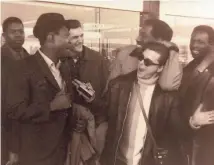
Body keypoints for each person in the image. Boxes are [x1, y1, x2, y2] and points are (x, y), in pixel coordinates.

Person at [6, 13, 74, 165]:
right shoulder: (22, 68)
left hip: (62, 152)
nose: (70, 41)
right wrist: (51, 106)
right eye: (66, 36)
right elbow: (14, 111)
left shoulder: (65, 68)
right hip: (36, 156)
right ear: (51, 37)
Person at [101, 42, 185, 165]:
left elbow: (177, 135)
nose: (141, 64)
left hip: (146, 161)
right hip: (116, 160)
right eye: (141, 58)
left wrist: (193, 123)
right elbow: (102, 116)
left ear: (160, 68)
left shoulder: (167, 98)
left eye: (148, 62)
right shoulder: (118, 86)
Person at [64, 19, 109, 164]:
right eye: (74, 37)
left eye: (81, 36)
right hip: (68, 130)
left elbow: (109, 99)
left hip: (95, 127)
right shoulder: (60, 60)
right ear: (65, 39)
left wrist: (92, 100)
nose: (80, 41)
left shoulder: (98, 60)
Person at [105, 18, 182, 94]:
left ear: (160, 41)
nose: (137, 39)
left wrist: (173, 50)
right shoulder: (125, 53)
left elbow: (167, 86)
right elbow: (110, 88)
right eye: (139, 34)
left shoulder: (171, 62)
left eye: (144, 36)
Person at [178, 25, 214, 165]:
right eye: (193, 40)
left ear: (212, 45)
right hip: (190, 134)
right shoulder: (191, 66)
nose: (194, 45)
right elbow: (182, 98)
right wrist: (192, 122)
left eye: (200, 42)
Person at [1, 16, 29, 165]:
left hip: (28, 128)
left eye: (21, 31)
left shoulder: (30, 58)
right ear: (4, 36)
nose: (18, 35)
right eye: (13, 32)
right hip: (7, 130)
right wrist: (12, 145)